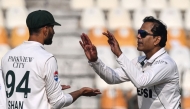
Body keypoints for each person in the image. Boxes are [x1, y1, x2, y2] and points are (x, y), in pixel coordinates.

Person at [1, 10, 101, 109]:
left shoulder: (7, 56)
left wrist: (46, 86)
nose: (53, 32)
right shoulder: (47, 59)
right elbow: (57, 102)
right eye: (52, 27)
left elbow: (3, 98)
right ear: (45, 29)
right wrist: (80, 92)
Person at [80, 16, 181, 109]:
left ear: (157, 39)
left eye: (143, 34)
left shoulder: (166, 64)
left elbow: (141, 82)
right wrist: (95, 61)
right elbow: (112, 78)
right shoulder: (139, 61)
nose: (138, 36)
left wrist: (119, 54)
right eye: (138, 32)